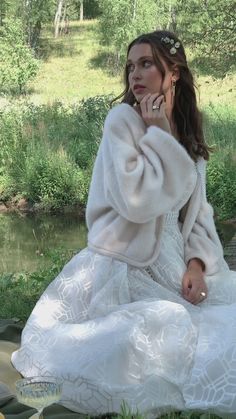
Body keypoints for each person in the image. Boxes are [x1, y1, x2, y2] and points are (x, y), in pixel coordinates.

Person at [12, 30, 236, 418]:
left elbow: (197, 212)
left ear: (174, 73)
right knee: (164, 326)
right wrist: (158, 134)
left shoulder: (188, 129)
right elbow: (138, 201)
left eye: (147, 63)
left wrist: (197, 266)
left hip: (172, 261)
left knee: (222, 322)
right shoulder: (123, 121)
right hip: (123, 263)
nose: (135, 74)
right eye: (131, 66)